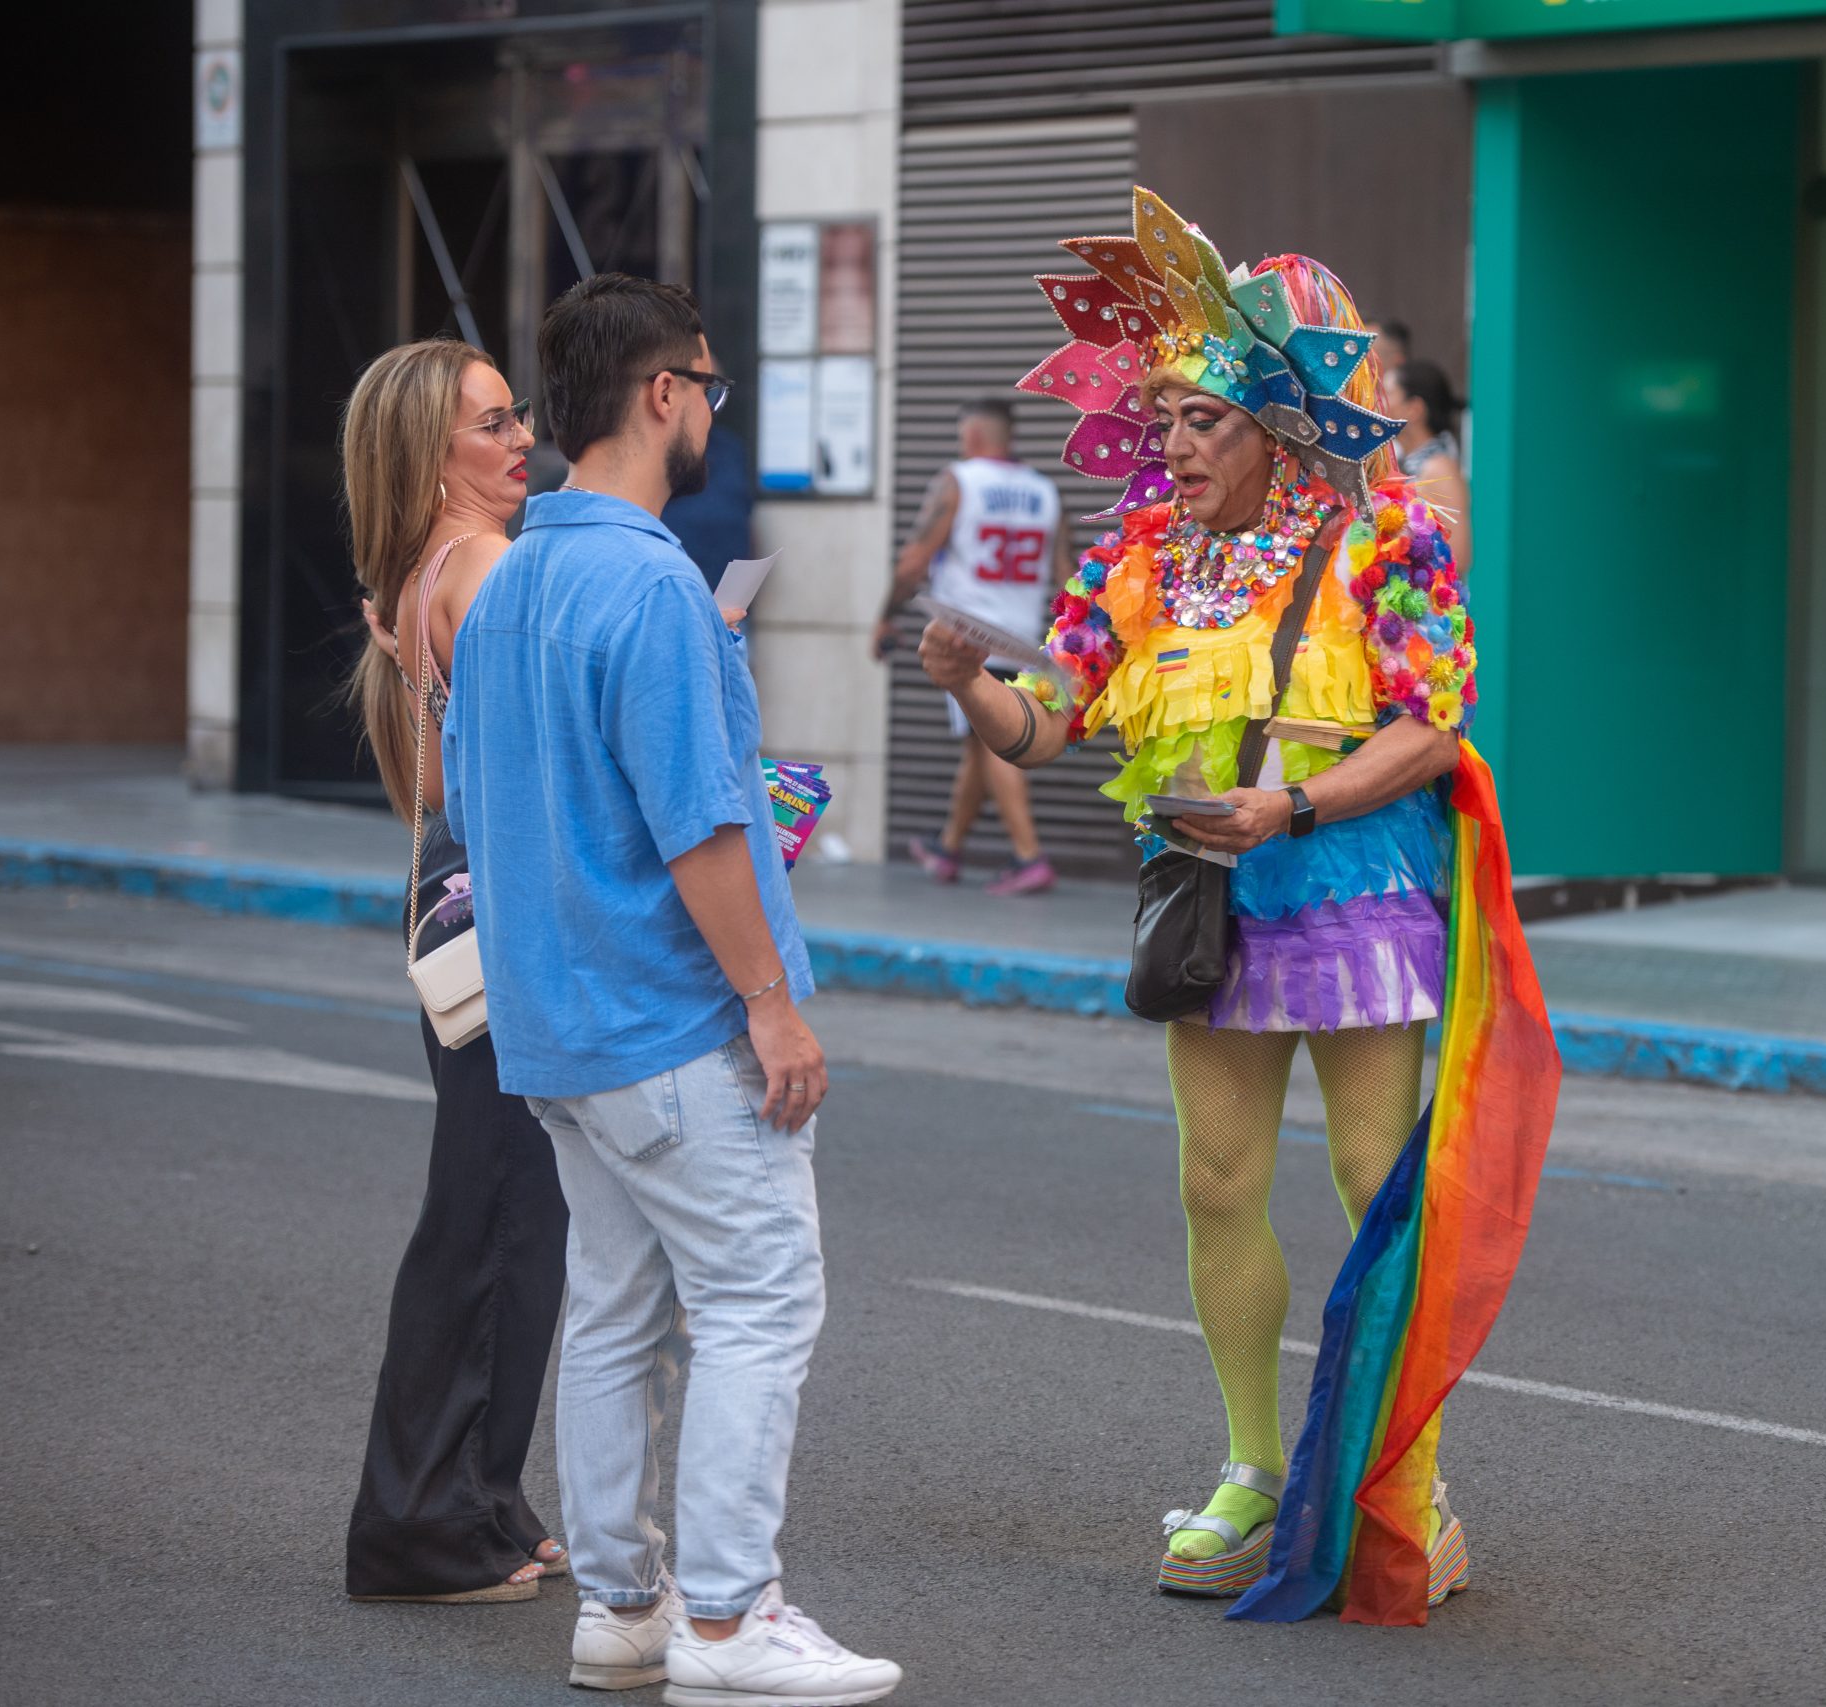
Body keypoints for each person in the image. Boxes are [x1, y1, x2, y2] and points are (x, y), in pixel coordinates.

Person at [922, 188, 1558, 1626]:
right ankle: (1253, 1465)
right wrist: (971, 682)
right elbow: (1055, 715)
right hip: (1208, 902)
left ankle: (1407, 1481)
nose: (1171, 444)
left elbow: (1436, 724)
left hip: (1356, 893)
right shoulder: (1139, 556)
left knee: (1372, 1178)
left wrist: (1298, 805)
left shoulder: (1396, 539)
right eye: (1160, 420)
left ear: (1279, 426)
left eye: (1199, 419)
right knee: (1216, 1178)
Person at [441, 273, 900, 1704]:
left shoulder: (515, 577)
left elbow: (483, 800)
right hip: (667, 1017)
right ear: (662, 394)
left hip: (556, 1025)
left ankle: (624, 1608)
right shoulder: (647, 580)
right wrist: (771, 997)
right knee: (762, 1296)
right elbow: (698, 822)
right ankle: (723, 1617)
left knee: (618, 1308)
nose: (712, 409)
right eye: (709, 384)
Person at [339, 338, 571, 1606]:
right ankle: (421, 1526)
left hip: (463, 906)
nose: (520, 434)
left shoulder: (443, 568)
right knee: (489, 1224)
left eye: (515, 412)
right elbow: (546, 761)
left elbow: (455, 778)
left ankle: (480, 1497)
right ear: (433, 463)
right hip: (504, 920)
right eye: (490, 424)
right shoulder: (480, 564)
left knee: (514, 1220)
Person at [873, 397, 1067, 895]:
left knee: (993, 743)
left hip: (970, 641)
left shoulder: (959, 480)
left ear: (974, 437)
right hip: (1024, 637)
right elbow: (1067, 577)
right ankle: (949, 848)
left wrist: (886, 616)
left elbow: (914, 561)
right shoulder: (1044, 492)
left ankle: (1029, 857)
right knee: (978, 744)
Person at [1383, 360, 1470, 575]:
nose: (1378, 403)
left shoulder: (1438, 468)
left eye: (1387, 394)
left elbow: (1460, 556)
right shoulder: (1410, 464)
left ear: (1414, 409)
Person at [662, 422, 754, 594]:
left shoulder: (730, 447)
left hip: (733, 599)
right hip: (681, 594)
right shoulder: (663, 448)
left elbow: (746, 518)